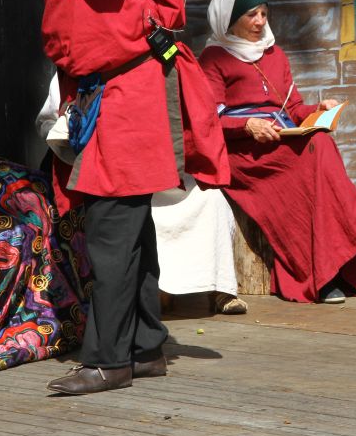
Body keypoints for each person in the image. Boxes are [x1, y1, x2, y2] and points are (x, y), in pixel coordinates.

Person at [9, 0, 229, 395]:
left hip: (132, 86)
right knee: (128, 224)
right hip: (108, 88)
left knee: (111, 226)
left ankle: (108, 359)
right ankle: (145, 347)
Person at [198, 0, 356, 304]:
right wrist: (248, 125)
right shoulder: (214, 59)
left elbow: (294, 107)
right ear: (229, 19)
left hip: (279, 141)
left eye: (264, 14)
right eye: (251, 15)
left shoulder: (274, 54)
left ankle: (328, 271)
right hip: (243, 153)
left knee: (320, 142)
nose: (260, 22)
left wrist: (318, 110)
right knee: (309, 165)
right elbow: (208, 118)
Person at [36, 75, 247, 315]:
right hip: (112, 170)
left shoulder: (155, 66)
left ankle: (219, 287)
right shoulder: (76, 71)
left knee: (211, 198)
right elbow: (46, 122)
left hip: (162, 164)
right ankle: (150, 297)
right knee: (132, 212)